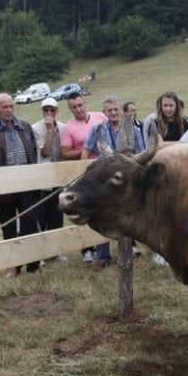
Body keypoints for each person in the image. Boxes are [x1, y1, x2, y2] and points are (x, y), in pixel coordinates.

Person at [82, 96, 146, 269]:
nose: (113, 113)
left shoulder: (132, 129)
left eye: (115, 109)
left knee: (127, 212)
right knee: (102, 212)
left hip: (125, 180)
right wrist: (87, 172)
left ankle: (129, 249)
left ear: (121, 110)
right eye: (109, 110)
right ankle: (103, 256)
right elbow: (86, 152)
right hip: (103, 182)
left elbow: (142, 153)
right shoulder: (97, 130)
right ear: (105, 113)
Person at [0, 93, 40, 276]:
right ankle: (14, 266)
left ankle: (33, 264)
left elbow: (33, 153)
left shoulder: (24, 126)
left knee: (30, 224)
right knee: (8, 226)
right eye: (4, 107)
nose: (9, 110)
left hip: (27, 185)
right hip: (4, 187)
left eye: (11, 106)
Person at [60, 92, 107, 262]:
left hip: (104, 171)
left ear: (84, 103)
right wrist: (87, 148)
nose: (78, 109)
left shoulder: (100, 117)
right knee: (84, 208)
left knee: (106, 207)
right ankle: (87, 248)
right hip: (85, 174)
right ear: (70, 109)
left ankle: (105, 247)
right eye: (74, 107)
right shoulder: (68, 128)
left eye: (80, 105)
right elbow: (65, 153)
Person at [31, 97, 67, 262]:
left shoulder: (64, 127)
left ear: (57, 111)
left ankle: (55, 252)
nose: (49, 113)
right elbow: (45, 151)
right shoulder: (36, 128)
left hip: (58, 177)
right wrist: (50, 130)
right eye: (46, 110)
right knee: (41, 216)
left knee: (57, 215)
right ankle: (41, 253)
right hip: (43, 178)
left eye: (52, 110)